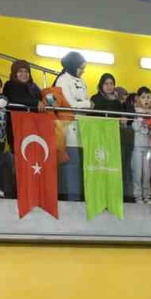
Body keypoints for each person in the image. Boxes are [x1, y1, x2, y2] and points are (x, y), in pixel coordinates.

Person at [45, 51, 91, 201]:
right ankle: (71, 197)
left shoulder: (81, 81)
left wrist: (86, 104)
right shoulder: (63, 80)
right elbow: (71, 104)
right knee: (71, 164)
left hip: (82, 127)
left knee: (80, 165)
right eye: (81, 67)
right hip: (68, 128)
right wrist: (88, 104)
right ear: (73, 65)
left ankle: (80, 196)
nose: (83, 71)